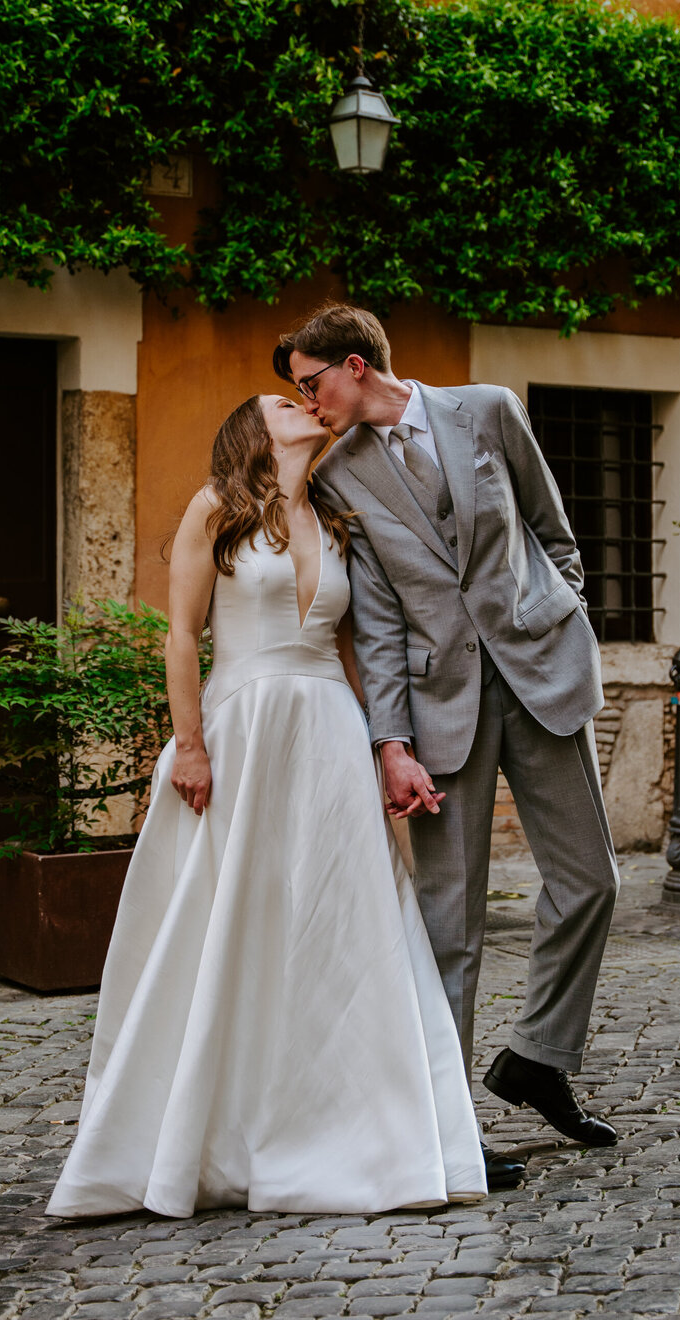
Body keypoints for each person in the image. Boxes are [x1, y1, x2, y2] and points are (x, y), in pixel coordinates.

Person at [47, 390, 486, 1220]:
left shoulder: (335, 518)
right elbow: (182, 634)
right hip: (241, 731)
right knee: (229, 924)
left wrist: (387, 748)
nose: (306, 403)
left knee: (339, 920)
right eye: (287, 400)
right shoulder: (215, 507)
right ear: (253, 428)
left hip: (329, 733)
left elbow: (353, 649)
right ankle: (206, 1137)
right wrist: (190, 744)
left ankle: (363, 1139)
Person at [278, 303, 620, 1191]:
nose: (309, 404)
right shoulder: (338, 476)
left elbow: (553, 530)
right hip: (439, 709)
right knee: (449, 927)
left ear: (356, 365)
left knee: (591, 881)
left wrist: (561, 614)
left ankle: (538, 1057)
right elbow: (378, 623)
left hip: (541, 678)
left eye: (312, 383)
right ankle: (447, 1126)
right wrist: (390, 740)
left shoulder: (489, 410)